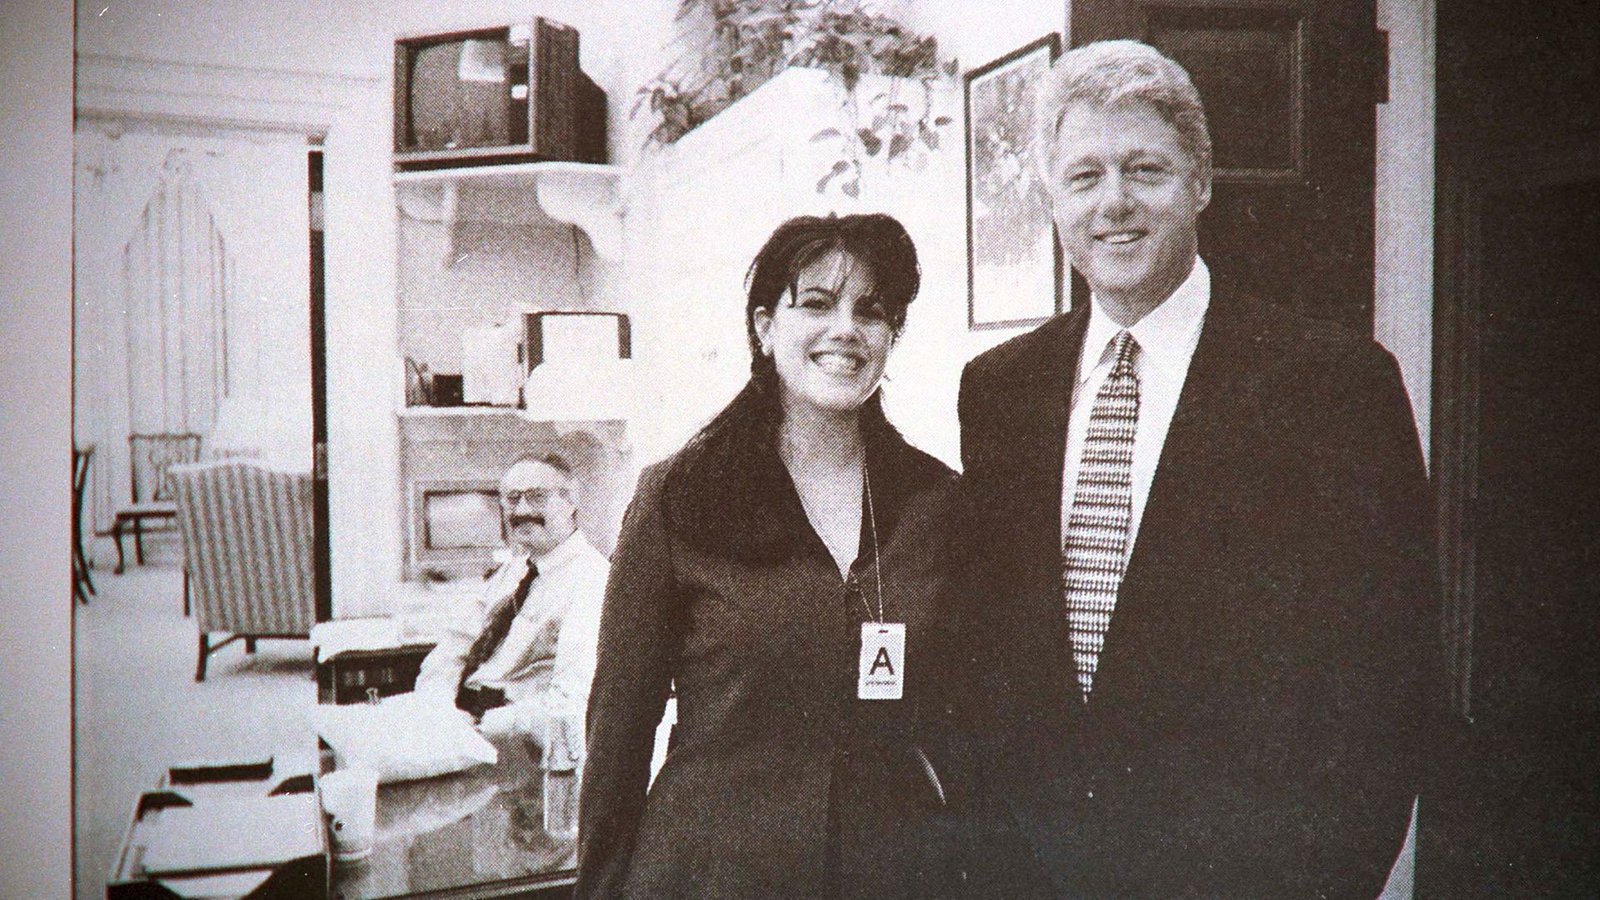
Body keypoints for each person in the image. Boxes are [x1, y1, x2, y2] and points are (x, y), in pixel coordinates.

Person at [954, 40, 1438, 896]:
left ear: (1202, 183)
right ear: (1052, 200)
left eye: (1145, 170)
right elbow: (995, 667)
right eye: (1084, 176)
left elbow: (1389, 689)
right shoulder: (999, 392)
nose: (1114, 202)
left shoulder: (1334, 385)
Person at [576, 213, 966, 899]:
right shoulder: (680, 495)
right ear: (764, 327)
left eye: (871, 311)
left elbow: (966, 723)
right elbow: (618, 733)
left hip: (895, 874)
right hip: (712, 874)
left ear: (891, 337)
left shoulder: (938, 502)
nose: (846, 329)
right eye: (816, 304)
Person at [413, 452, 610, 749]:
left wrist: (480, 725)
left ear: (571, 502)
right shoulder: (513, 571)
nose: (522, 510)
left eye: (537, 497)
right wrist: (438, 707)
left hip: (515, 739)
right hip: (459, 726)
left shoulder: (592, 580)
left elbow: (571, 700)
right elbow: (454, 647)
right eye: (512, 498)